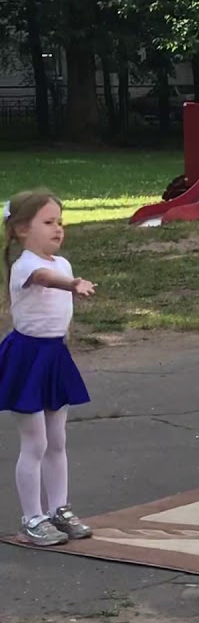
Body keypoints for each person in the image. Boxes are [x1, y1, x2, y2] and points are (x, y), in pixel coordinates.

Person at [0, 191, 94, 546]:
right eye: (48, 222)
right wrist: (72, 284)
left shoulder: (64, 263)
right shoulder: (26, 265)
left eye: (60, 222)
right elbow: (43, 279)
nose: (58, 229)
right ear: (23, 229)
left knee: (58, 441)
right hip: (27, 359)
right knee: (35, 442)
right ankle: (32, 517)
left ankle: (59, 509)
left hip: (54, 356)